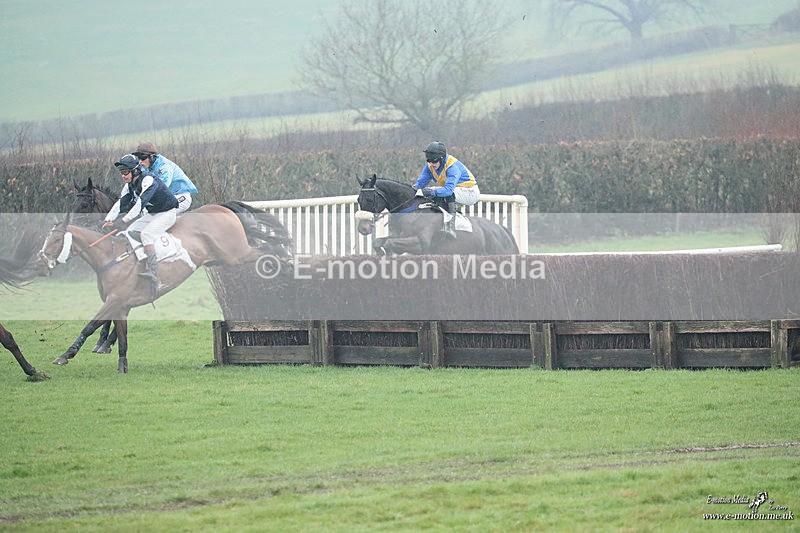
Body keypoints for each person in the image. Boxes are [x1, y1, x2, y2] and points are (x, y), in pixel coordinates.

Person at [103, 154, 179, 290]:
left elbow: (140, 204)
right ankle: (143, 259)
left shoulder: (148, 180)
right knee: (130, 231)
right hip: (153, 214)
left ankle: (153, 272)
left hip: (167, 213)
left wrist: (122, 220)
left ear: (135, 170)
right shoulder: (129, 186)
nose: (123, 176)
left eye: (125, 172)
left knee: (146, 235)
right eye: (121, 173)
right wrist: (108, 219)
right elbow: (120, 203)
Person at [413, 141, 480, 238]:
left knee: (445, 193)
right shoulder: (430, 166)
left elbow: (448, 190)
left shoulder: (452, 167)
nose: (431, 164)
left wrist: (429, 192)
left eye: (434, 161)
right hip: (456, 190)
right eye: (429, 161)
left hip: (470, 191)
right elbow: (419, 184)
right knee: (432, 191)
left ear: (442, 158)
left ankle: (450, 228)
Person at [132, 142, 198, 214]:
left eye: (143, 158)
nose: (140, 162)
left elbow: (161, 190)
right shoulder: (145, 166)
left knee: (160, 214)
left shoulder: (164, 167)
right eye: (139, 158)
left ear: (152, 156)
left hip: (181, 196)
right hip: (168, 198)